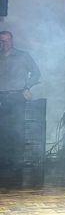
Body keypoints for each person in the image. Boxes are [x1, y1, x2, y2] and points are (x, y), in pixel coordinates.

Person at [0, 31, 41, 176]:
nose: (5, 43)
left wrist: (27, 87)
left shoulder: (23, 55)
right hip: (1, 97)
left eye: (8, 40)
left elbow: (36, 73)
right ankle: (4, 162)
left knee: (17, 130)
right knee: (3, 131)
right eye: (2, 41)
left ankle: (16, 164)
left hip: (17, 96)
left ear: (12, 40)